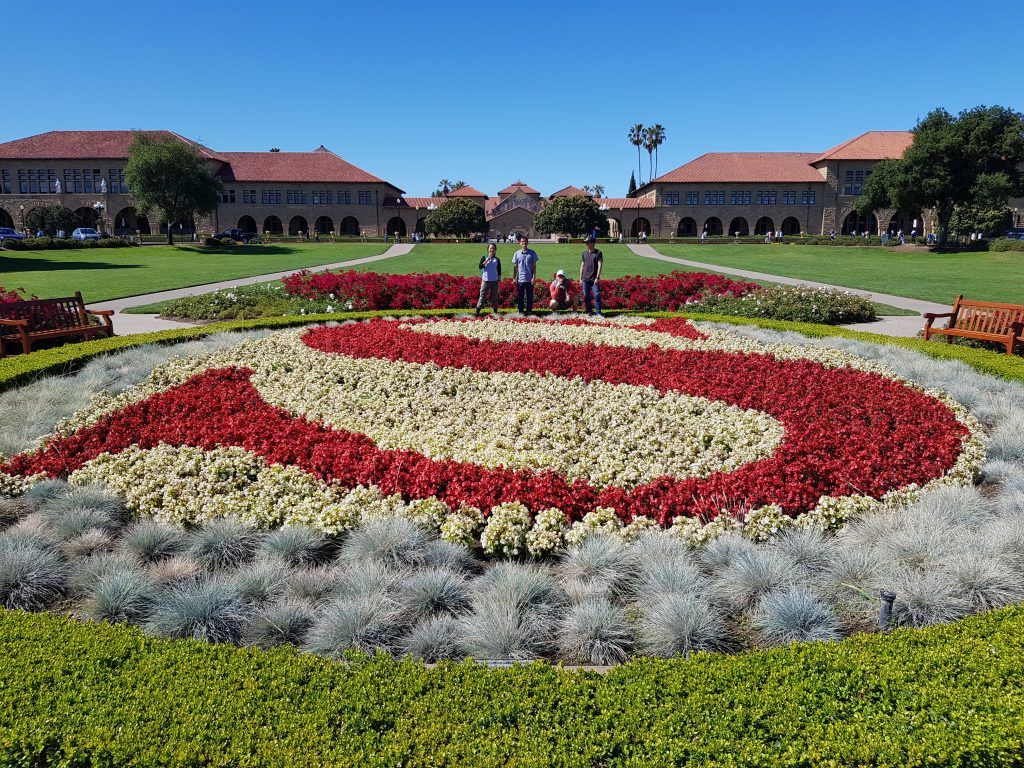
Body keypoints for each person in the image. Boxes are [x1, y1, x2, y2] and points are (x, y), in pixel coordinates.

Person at [512, 235, 538, 315]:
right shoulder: (517, 254)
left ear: (527, 243)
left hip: (529, 278)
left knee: (529, 296)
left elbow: (534, 266)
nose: (524, 243)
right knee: (520, 296)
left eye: (525, 241)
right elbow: (515, 267)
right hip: (520, 279)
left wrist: (534, 277)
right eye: (522, 241)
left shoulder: (532, 253)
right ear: (520, 243)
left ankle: (529, 311)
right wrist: (514, 278)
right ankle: (520, 311)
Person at [579, 234, 603, 316]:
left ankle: (598, 313)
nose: (586, 244)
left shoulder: (598, 253)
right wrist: (580, 278)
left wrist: (597, 277)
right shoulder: (584, 253)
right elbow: (582, 266)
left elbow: (600, 265)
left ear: (592, 243)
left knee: (597, 295)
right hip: (585, 278)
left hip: (594, 279)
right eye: (586, 243)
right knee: (586, 296)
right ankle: (589, 311)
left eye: (587, 242)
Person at [476, 242, 502, 316]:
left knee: (495, 297)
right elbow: (480, 266)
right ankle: (477, 312)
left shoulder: (497, 259)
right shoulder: (484, 257)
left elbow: (499, 270)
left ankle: (495, 312)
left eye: (493, 248)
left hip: (494, 281)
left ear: (495, 250)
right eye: (490, 248)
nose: (492, 250)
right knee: (482, 296)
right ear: (488, 250)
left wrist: (499, 278)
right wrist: (488, 259)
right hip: (486, 281)